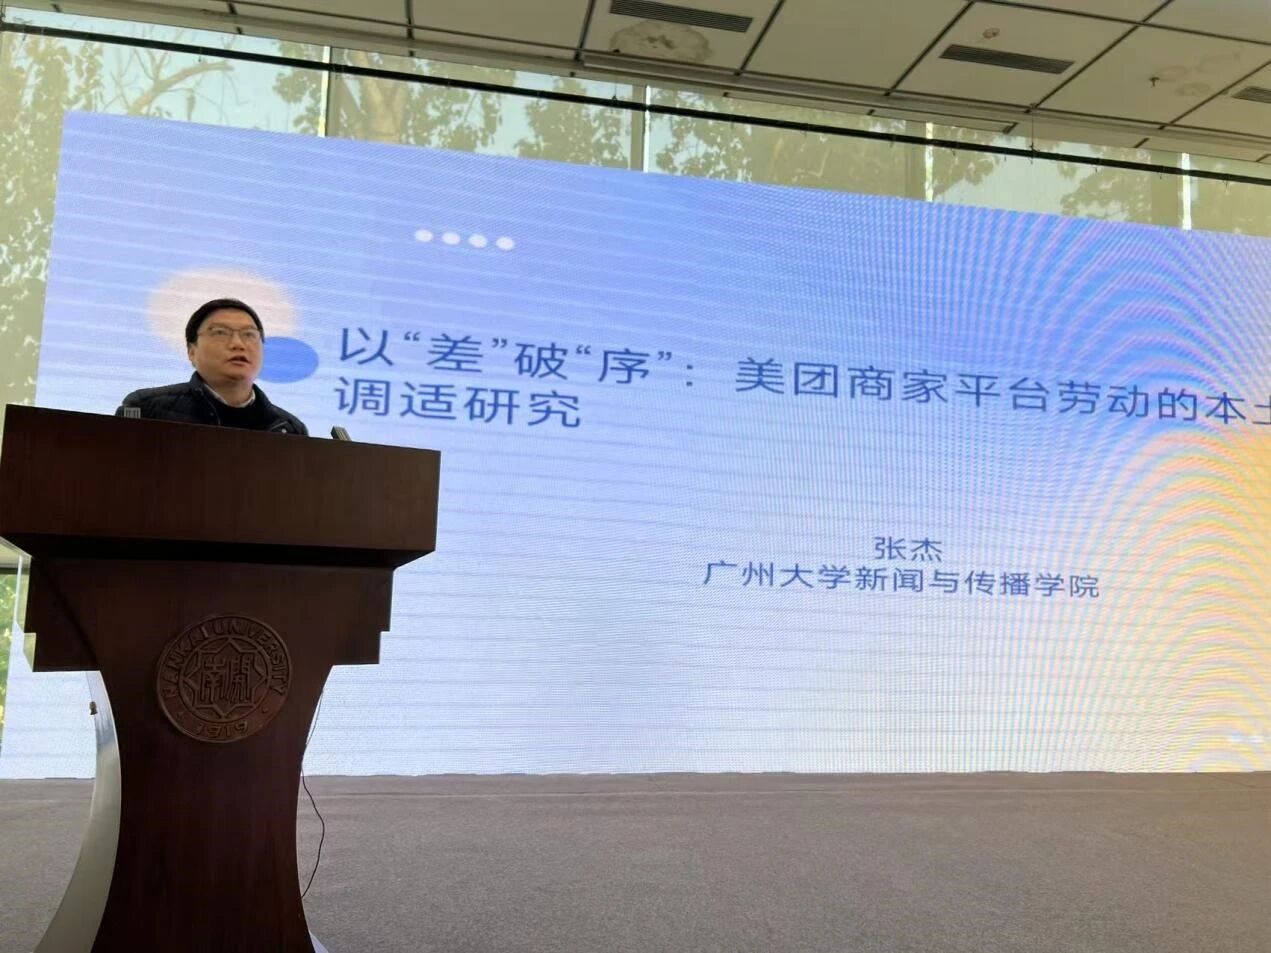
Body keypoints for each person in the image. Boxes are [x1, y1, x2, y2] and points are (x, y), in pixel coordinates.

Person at [117, 298, 308, 434]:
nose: (238, 344)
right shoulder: (144, 408)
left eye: (249, 335)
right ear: (192, 351)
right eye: (220, 333)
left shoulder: (289, 428)